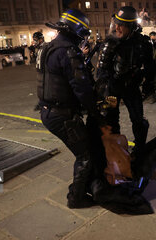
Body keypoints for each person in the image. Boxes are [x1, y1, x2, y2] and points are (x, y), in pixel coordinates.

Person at [37, 9, 105, 209]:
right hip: (62, 116)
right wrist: (95, 111)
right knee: (85, 155)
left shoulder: (46, 48)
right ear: (76, 33)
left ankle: (80, 187)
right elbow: (81, 87)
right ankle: (76, 198)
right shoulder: (68, 51)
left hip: (48, 111)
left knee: (82, 150)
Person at [96, 6, 154, 161]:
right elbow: (101, 71)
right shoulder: (110, 43)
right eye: (116, 23)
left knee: (138, 120)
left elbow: (150, 67)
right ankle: (116, 150)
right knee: (111, 120)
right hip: (113, 87)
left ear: (131, 26)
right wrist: (105, 93)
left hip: (132, 86)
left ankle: (140, 148)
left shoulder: (144, 43)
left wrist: (149, 84)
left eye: (121, 25)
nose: (117, 27)